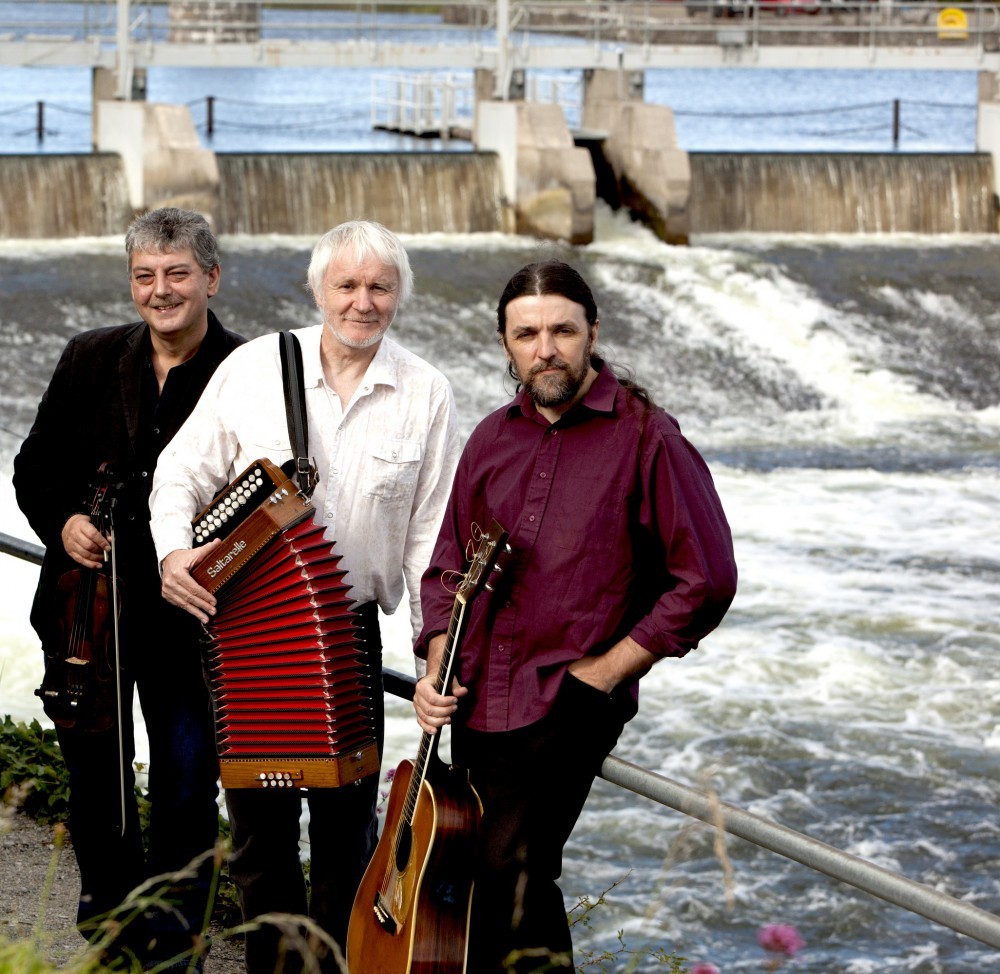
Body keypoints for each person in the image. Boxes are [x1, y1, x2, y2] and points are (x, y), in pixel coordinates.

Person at [148, 220, 461, 973]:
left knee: (348, 838)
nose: (362, 302)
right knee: (258, 840)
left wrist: (433, 659)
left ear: (399, 296)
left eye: (379, 287)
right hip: (245, 629)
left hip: (350, 633)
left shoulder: (427, 391)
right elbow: (179, 471)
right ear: (318, 290)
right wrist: (171, 555)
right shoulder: (255, 367)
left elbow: (431, 542)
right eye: (346, 286)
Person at [413, 259, 739, 974]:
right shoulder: (492, 439)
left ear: (594, 331)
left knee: (511, 869)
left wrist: (610, 668)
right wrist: (437, 650)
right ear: (506, 345)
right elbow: (443, 568)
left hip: (568, 698)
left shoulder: (649, 437)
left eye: (562, 329)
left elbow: (707, 578)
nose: (546, 348)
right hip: (476, 698)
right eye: (527, 333)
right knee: (479, 877)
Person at [13, 208, 245, 970]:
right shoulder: (88, 357)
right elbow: (32, 469)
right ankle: (110, 932)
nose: (161, 290)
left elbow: (271, 495)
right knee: (95, 787)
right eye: (145, 275)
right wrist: (67, 521)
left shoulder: (247, 372)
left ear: (210, 278)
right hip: (90, 619)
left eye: (177, 273)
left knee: (184, 789)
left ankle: (176, 944)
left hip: (191, 625)